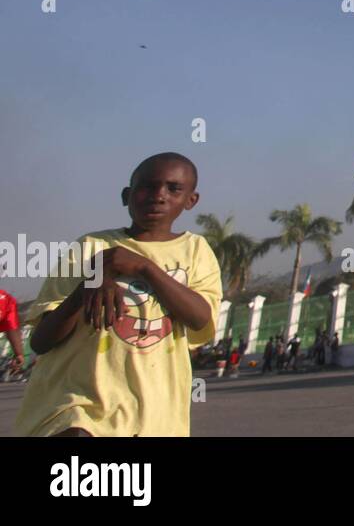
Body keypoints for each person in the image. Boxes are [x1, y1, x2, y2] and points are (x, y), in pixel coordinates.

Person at [14, 152, 222, 436]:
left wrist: (143, 267)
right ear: (127, 195)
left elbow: (200, 319)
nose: (158, 196)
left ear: (191, 200)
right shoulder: (90, 247)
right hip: (79, 398)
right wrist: (91, 282)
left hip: (153, 408)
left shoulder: (196, 251)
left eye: (173, 188)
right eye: (147, 186)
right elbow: (41, 340)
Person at [0, 288, 25, 380]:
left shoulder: (6, 299)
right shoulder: (5, 299)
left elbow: (11, 327)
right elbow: (12, 327)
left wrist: (18, 354)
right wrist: (19, 354)